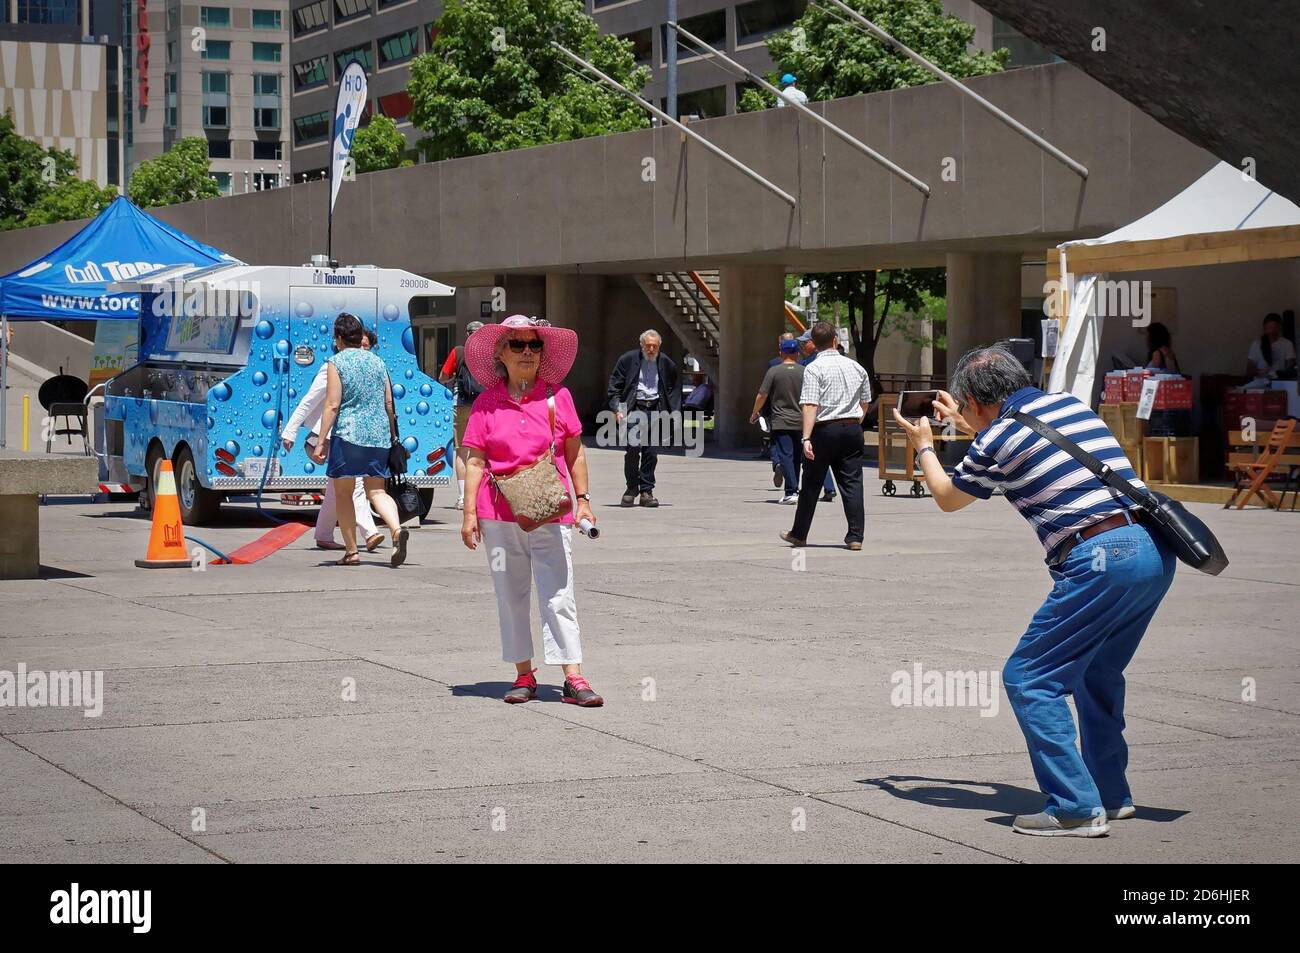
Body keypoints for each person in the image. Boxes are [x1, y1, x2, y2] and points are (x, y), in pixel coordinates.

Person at [892, 344, 1175, 838]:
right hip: (1151, 549)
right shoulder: (1068, 404)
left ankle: (1073, 806)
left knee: (1030, 678)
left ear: (976, 402)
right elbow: (1021, 441)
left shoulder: (995, 438)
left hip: (1099, 558)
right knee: (1096, 673)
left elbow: (947, 498)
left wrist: (924, 445)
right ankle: (1111, 794)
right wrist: (973, 425)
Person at [459, 315, 603, 707]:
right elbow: (474, 461)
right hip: (497, 511)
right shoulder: (487, 403)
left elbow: (575, 452)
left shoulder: (558, 397)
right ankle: (524, 673)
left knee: (559, 592)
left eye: (533, 345)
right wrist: (469, 514)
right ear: (500, 354)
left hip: (549, 510)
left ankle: (573, 675)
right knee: (511, 593)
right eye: (517, 345)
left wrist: (584, 500)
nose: (526, 351)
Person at [308, 313, 408, 568]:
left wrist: (320, 442)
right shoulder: (378, 363)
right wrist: (391, 433)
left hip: (349, 435)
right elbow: (388, 402)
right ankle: (396, 530)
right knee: (376, 490)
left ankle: (352, 552)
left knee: (344, 493)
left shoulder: (336, 362)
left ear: (339, 338)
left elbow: (332, 404)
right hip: (378, 435)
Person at [283, 328, 384, 552]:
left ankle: (323, 534)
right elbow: (310, 401)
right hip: (328, 438)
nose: (363, 349)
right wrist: (290, 431)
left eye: (367, 346)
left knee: (336, 487)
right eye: (361, 345)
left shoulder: (368, 368)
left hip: (348, 437)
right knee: (354, 483)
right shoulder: (332, 366)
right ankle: (370, 533)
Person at [780, 322, 871, 550]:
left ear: (813, 345)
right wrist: (856, 420)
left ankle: (799, 534)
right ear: (835, 341)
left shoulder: (813, 368)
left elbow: (811, 404)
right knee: (852, 483)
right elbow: (866, 401)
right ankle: (855, 536)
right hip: (851, 428)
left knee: (811, 483)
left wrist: (806, 438)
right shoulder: (856, 367)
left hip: (824, 429)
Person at [607, 329, 680, 507]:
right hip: (633, 410)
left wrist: (673, 414)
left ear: (659, 346)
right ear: (642, 345)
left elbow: (674, 390)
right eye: (648, 346)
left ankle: (646, 491)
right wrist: (618, 409)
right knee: (632, 450)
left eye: (655, 346)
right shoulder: (627, 360)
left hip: (655, 410)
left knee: (651, 453)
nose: (651, 349)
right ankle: (632, 488)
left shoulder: (667, 363)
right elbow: (614, 386)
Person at [438, 320, 486, 509]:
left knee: (461, 451)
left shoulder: (458, 351)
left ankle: (462, 497)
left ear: (467, 334)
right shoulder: (489, 353)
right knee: (483, 448)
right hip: (484, 406)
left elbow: (443, 376)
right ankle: (480, 495)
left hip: (461, 404)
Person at [751, 337, 805, 504]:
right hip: (801, 421)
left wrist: (755, 412)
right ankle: (795, 488)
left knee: (785, 455)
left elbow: (762, 394)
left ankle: (791, 490)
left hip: (781, 420)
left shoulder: (774, 371)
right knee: (797, 457)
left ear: (781, 352)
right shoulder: (805, 371)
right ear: (797, 353)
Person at [796, 327, 836, 502]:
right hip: (841, 420)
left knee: (813, 455)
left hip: (817, 417)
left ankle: (813, 491)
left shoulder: (810, 365)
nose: (803, 345)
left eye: (806, 342)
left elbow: (809, 400)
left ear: (815, 342)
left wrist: (806, 435)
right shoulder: (843, 363)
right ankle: (829, 488)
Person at [1246, 313, 1296, 378]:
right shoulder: (1257, 344)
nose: (1270, 331)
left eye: (1273, 328)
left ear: (1279, 327)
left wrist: (1280, 374)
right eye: (1268, 328)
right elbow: (1249, 370)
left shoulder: (1287, 344)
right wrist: (1259, 372)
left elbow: (1290, 368)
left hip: (1279, 382)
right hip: (1260, 383)